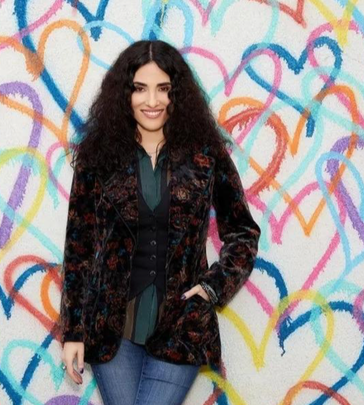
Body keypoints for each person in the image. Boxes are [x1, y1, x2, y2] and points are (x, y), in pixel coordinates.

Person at [59, 39, 260, 405]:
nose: (151, 101)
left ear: (176, 93)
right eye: (140, 88)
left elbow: (243, 232)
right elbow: (79, 247)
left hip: (181, 327)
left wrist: (213, 287)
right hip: (111, 331)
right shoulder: (97, 156)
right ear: (125, 93)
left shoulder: (205, 154)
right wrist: (73, 330)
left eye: (163, 89)